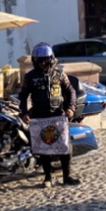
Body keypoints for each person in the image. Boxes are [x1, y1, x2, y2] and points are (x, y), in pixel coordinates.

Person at [19, 43, 79, 189]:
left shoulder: (59, 74)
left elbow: (71, 91)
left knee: (65, 146)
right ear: (35, 61)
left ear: (52, 59)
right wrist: (24, 113)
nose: (44, 63)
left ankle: (67, 176)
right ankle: (47, 177)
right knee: (44, 148)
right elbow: (23, 96)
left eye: (46, 59)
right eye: (40, 60)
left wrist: (71, 108)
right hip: (40, 116)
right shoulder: (30, 77)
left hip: (58, 114)